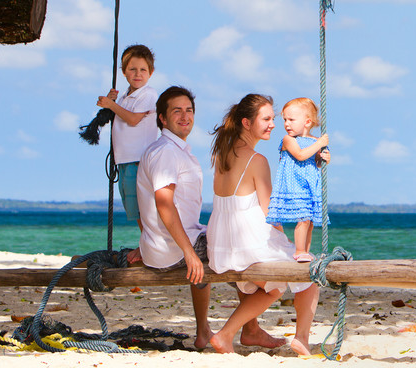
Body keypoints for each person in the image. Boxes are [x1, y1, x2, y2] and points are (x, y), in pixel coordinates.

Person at [136, 87, 286, 351]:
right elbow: (163, 204)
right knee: (245, 260)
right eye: (177, 111)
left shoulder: (173, 150)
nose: (185, 116)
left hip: (168, 243)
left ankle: (208, 331)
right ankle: (242, 330)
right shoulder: (166, 153)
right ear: (162, 118)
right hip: (175, 248)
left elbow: (148, 206)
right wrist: (188, 252)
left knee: (221, 241)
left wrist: (147, 240)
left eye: (189, 110)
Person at [206, 94, 320, 355]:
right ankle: (299, 337)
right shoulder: (256, 160)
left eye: (273, 119)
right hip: (247, 241)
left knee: (269, 284)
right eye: (266, 119)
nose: (273, 124)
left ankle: (247, 331)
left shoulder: (223, 152)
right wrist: (285, 241)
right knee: (308, 274)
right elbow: (270, 210)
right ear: (247, 123)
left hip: (222, 242)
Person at [95, 44, 157, 262]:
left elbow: (132, 119)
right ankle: (148, 244)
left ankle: (149, 246)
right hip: (125, 159)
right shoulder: (127, 96)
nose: (137, 74)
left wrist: (112, 106)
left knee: (142, 207)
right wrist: (112, 102)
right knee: (133, 206)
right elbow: (121, 114)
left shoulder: (148, 95)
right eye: (132, 69)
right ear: (124, 71)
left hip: (138, 159)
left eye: (142, 70)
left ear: (150, 73)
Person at [268, 97, 330, 262]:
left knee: (309, 221)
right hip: (294, 185)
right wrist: (320, 144)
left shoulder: (315, 141)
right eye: (285, 120)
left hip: (310, 186)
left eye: (291, 120)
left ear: (307, 122)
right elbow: (301, 155)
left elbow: (316, 163)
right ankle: (299, 250)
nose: (287, 124)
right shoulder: (289, 140)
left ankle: (306, 252)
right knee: (303, 218)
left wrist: (324, 156)